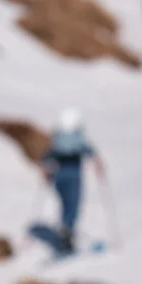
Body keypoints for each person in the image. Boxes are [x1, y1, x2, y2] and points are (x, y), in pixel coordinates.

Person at [42, 108, 106, 254]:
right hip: (73, 174)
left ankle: (65, 233)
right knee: (73, 203)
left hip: (59, 174)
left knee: (65, 203)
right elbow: (89, 150)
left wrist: (45, 168)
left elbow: (49, 154)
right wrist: (97, 163)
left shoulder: (58, 138)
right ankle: (67, 235)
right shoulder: (77, 138)